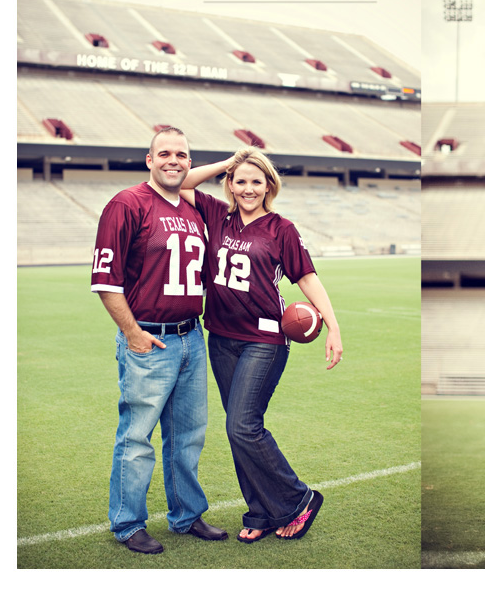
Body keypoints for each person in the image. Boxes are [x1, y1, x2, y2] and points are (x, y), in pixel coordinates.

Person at [178, 147, 343, 544]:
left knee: (242, 425)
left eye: (257, 181)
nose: (248, 188)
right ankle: (260, 512)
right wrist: (228, 163)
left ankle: (298, 499)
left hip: (264, 340)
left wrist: (334, 328)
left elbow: (307, 278)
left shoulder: (281, 229)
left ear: (270, 185)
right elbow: (182, 182)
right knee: (239, 431)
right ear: (231, 185)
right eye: (241, 181)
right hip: (220, 337)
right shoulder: (217, 215)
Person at [91, 127, 228, 554]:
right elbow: (105, 280)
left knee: (188, 435)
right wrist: (133, 333)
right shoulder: (127, 203)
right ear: (148, 160)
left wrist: (229, 163)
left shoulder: (193, 208)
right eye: (164, 153)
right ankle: (128, 522)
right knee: (137, 437)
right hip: (149, 340)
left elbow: (188, 186)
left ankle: (186, 516)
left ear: (190, 163)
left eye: (182, 154)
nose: (173, 160)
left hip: (192, 336)